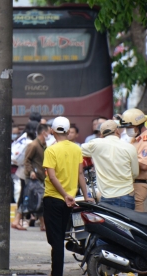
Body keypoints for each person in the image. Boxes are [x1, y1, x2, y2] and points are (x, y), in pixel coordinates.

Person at [43, 116, 94, 276]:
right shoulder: (76, 149)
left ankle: (56, 273)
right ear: (67, 131)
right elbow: (80, 173)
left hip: (53, 198)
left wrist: (64, 195)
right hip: (69, 201)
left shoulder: (51, 150)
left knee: (55, 240)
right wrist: (86, 196)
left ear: (52, 130)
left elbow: (52, 177)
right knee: (58, 238)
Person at [81, 120, 139, 209]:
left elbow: (76, 150)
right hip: (126, 195)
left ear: (102, 134)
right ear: (117, 131)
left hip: (106, 196)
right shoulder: (130, 147)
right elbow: (135, 173)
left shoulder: (95, 145)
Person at [118, 108, 147, 212]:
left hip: (138, 185)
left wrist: (125, 159)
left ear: (138, 125)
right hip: (132, 184)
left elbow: (144, 165)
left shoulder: (146, 142)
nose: (127, 130)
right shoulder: (136, 139)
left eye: (129, 127)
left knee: (137, 218)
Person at [12, 123, 49, 231]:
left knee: (39, 200)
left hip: (39, 177)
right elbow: (27, 160)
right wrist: (31, 171)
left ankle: (43, 224)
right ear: (43, 133)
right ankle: (16, 221)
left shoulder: (43, 145)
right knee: (28, 200)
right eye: (48, 132)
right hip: (32, 177)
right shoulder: (33, 145)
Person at [12, 120, 39, 226]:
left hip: (22, 170)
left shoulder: (24, 138)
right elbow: (29, 159)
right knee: (27, 195)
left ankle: (22, 218)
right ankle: (19, 219)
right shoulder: (30, 143)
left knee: (25, 194)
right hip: (27, 172)